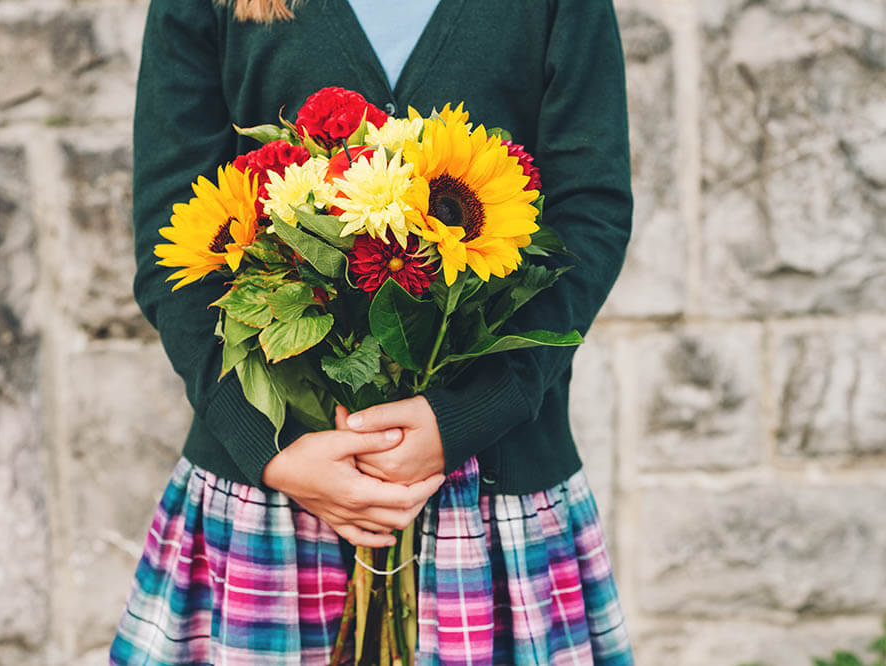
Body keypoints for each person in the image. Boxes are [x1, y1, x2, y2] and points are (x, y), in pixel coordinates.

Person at [110, 0, 636, 663]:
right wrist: (271, 444)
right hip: (273, 504)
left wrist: (467, 414)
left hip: (490, 493)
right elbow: (175, 246)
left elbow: (590, 211)